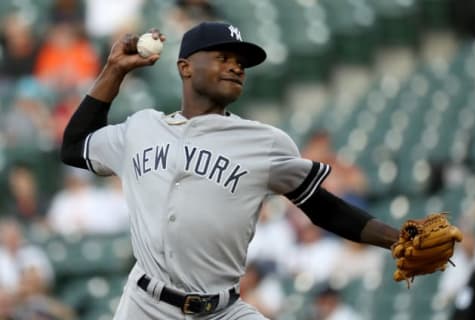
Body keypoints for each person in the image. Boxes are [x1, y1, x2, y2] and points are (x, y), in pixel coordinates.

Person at [60, 21, 400, 319]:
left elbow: (324, 208)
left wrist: (397, 240)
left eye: (240, 63)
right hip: (144, 306)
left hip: (222, 311)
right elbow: (74, 147)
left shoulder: (265, 142)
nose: (236, 67)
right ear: (185, 67)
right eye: (223, 58)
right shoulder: (140, 128)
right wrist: (115, 70)